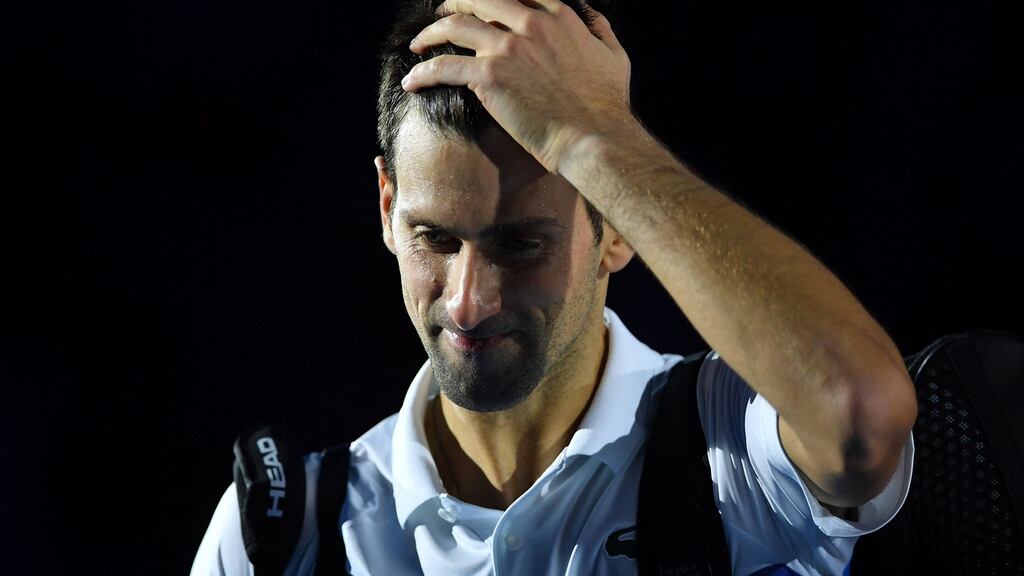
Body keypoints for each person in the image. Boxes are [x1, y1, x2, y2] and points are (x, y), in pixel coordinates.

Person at [192, 0, 917, 574]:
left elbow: (860, 412)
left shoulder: (729, 452)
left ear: (617, 225)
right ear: (386, 207)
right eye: (435, 239)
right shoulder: (278, 539)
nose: (468, 302)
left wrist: (600, 138)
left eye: (519, 244)